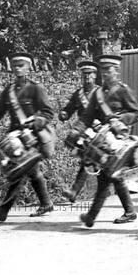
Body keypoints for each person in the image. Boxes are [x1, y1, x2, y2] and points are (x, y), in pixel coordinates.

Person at [0, 52, 56, 221]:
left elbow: (48, 112)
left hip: (32, 138)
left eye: (22, 65)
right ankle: (46, 203)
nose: (18, 69)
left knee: (20, 170)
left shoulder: (36, 88)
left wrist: (36, 122)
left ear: (29, 68)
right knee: (32, 171)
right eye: (15, 66)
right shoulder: (9, 91)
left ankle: (4, 209)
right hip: (16, 139)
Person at [69, 54, 138, 227]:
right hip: (102, 141)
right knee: (111, 176)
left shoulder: (123, 90)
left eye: (108, 70)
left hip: (118, 140)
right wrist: (76, 131)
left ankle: (92, 217)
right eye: (103, 70)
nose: (105, 73)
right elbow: (87, 116)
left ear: (116, 71)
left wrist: (121, 119)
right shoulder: (98, 93)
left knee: (108, 176)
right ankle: (128, 211)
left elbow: (136, 113)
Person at [58, 60, 100, 203]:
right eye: (85, 75)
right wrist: (64, 114)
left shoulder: (100, 93)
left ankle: (75, 191)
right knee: (89, 160)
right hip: (84, 133)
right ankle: (76, 192)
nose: (87, 78)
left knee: (91, 161)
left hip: (99, 132)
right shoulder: (78, 94)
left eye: (90, 74)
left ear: (95, 76)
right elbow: (70, 108)